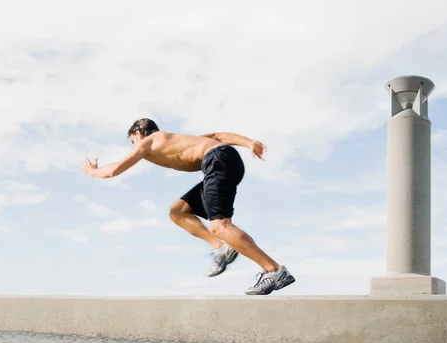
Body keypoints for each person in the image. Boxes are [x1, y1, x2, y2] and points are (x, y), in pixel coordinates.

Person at [79, 118, 295, 295]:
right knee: (178, 211)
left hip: (217, 161)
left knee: (220, 226)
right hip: (222, 162)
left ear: (139, 134)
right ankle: (221, 248)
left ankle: (274, 270)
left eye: (133, 142)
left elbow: (114, 170)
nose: (135, 147)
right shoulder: (177, 140)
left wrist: (93, 172)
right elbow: (217, 136)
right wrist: (248, 142)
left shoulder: (150, 141)